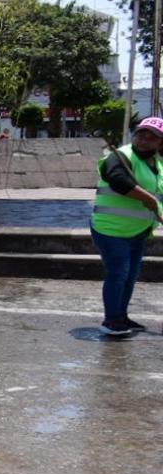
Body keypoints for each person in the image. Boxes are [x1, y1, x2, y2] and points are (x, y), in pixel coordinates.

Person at [92, 117, 163, 336]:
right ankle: (111, 321)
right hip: (111, 229)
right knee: (118, 273)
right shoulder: (120, 156)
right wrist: (149, 199)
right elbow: (117, 179)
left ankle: (121, 315)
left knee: (130, 276)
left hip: (137, 231)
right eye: (141, 134)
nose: (144, 140)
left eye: (152, 137)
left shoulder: (157, 164)